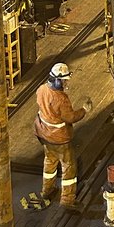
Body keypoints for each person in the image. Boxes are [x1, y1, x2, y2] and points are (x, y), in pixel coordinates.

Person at [34, 61, 92, 206]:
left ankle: (47, 190)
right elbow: (70, 117)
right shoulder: (61, 98)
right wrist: (84, 110)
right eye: (64, 80)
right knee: (69, 166)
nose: (66, 83)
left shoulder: (41, 89)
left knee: (50, 161)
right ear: (58, 80)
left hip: (44, 134)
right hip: (59, 138)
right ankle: (67, 199)